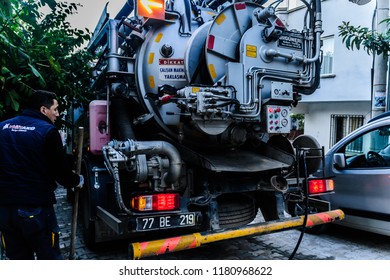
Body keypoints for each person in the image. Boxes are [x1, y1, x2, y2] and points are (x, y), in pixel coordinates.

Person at [0, 90, 83, 260]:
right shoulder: (48, 131)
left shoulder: (2, 127)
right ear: (43, 110)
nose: (57, 114)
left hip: (5, 211)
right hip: (35, 210)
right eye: (55, 109)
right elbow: (62, 175)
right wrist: (77, 180)